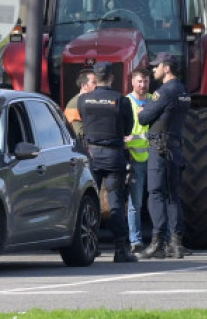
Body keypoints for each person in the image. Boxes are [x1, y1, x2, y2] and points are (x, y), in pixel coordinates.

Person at [77, 62, 137, 263]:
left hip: (92, 155)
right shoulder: (120, 100)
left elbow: (83, 122)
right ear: (111, 77)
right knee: (116, 204)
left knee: (89, 202)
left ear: (96, 76)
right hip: (113, 156)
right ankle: (121, 250)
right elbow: (128, 130)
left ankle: (90, 247)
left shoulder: (83, 100)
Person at [138, 52, 191, 259]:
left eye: (156, 66)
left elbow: (143, 118)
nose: (153, 69)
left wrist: (145, 109)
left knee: (155, 194)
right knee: (173, 196)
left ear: (166, 68)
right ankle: (176, 244)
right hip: (175, 146)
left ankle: (157, 242)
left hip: (159, 148)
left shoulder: (164, 92)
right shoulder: (183, 91)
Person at [124, 67, 151, 255]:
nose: (143, 85)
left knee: (159, 200)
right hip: (135, 159)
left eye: (146, 81)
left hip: (155, 158)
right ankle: (136, 240)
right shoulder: (126, 102)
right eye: (139, 81)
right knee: (136, 203)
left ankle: (162, 238)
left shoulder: (154, 101)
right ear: (132, 82)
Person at [63, 69, 97, 138]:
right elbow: (79, 134)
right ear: (84, 85)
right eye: (94, 83)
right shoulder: (74, 105)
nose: (97, 86)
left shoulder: (92, 101)